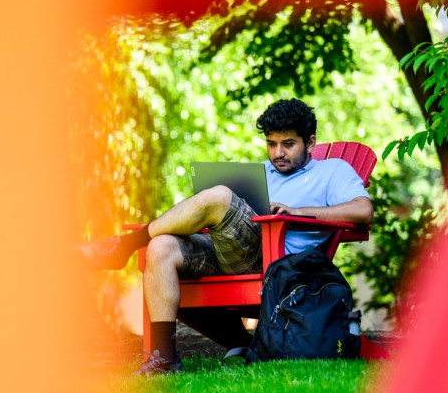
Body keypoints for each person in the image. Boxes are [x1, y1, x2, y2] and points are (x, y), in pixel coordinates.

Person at [80, 98, 373, 375]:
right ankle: (163, 358)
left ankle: (125, 245)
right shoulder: (260, 172)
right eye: (271, 144)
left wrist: (296, 211)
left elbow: (363, 211)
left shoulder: (333, 170)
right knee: (161, 246)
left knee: (219, 196)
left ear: (310, 142)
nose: (277, 153)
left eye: (288, 144)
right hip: (235, 251)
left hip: (281, 266)